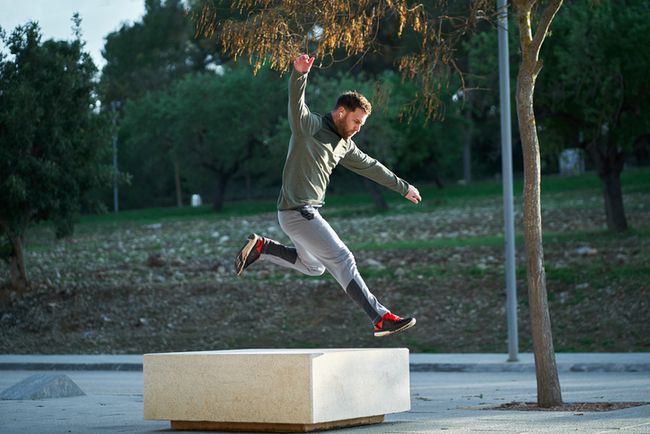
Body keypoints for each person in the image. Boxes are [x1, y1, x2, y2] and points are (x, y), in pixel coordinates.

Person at [235, 53, 422, 337]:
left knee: (314, 267)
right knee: (343, 259)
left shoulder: (344, 145)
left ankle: (263, 248)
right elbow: (296, 104)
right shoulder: (308, 126)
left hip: (298, 214)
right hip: (299, 211)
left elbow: (372, 166)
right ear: (341, 112)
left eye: (362, 124)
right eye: (357, 121)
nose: (359, 128)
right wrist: (299, 74)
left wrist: (403, 186)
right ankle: (380, 317)